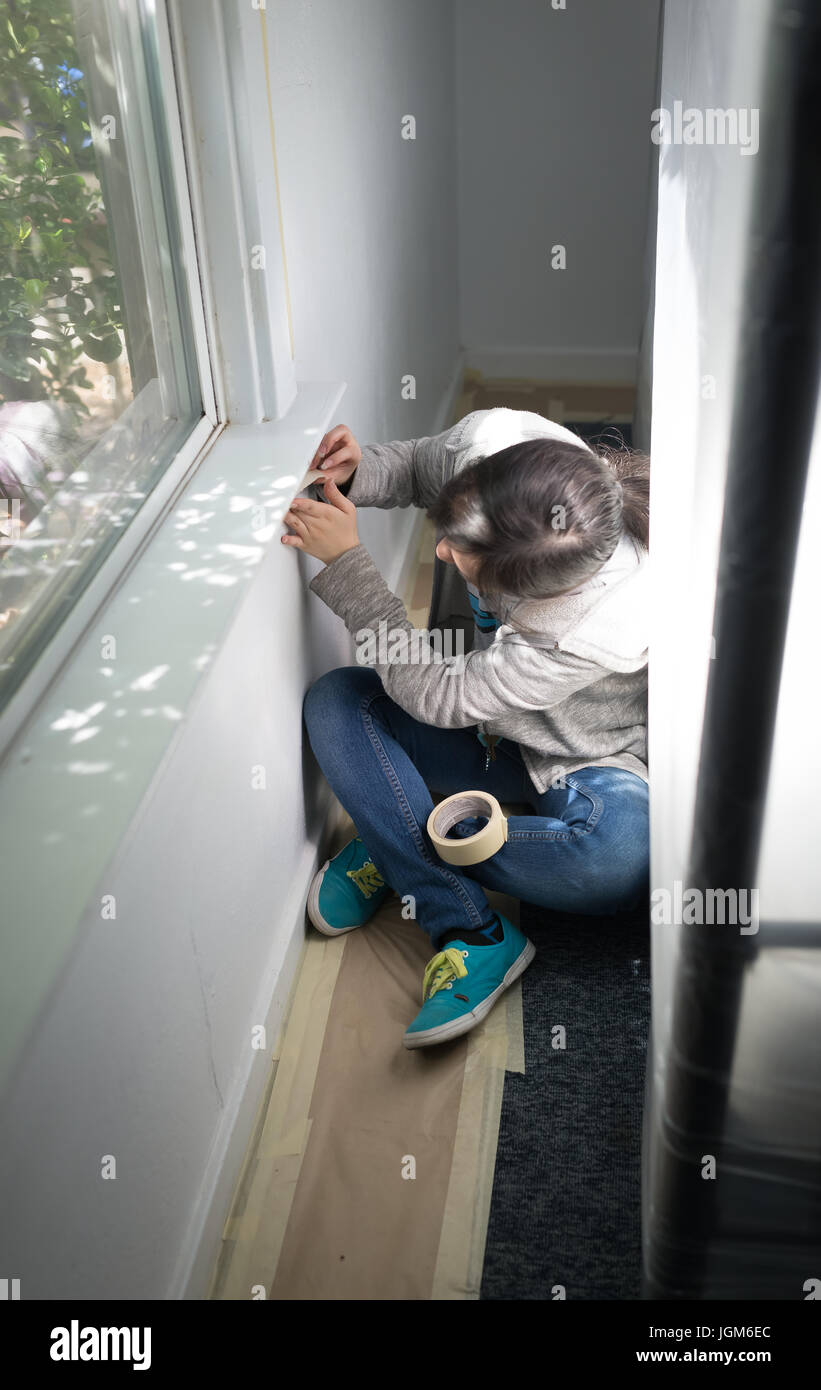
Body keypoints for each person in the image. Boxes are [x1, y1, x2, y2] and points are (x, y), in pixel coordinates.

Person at [281, 408, 650, 1050]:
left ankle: (398, 838)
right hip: (489, 734)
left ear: (528, 594)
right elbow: (426, 465)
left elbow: (439, 695)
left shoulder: (595, 630)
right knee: (337, 701)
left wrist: (348, 567)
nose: (442, 551)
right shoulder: (498, 442)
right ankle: (470, 926)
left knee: (619, 861)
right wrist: (362, 468)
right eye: (453, 526)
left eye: (464, 554)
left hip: (584, 756)